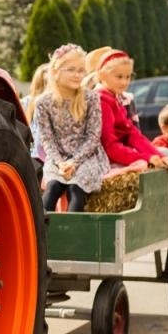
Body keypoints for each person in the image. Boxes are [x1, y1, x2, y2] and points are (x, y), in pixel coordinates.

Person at [33, 45, 108, 211]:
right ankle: (44, 233)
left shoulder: (91, 98)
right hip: (57, 157)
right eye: (71, 69)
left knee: (76, 188)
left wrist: (74, 162)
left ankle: (72, 233)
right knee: (52, 187)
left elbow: (93, 136)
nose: (77, 75)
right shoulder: (43, 102)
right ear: (56, 71)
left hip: (86, 156)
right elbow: (47, 139)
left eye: (81, 70)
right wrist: (60, 163)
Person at [88, 46, 168, 170]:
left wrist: (158, 155)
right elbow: (109, 146)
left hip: (119, 153)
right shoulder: (101, 100)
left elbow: (133, 134)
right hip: (103, 160)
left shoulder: (114, 98)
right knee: (145, 165)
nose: (124, 82)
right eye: (119, 77)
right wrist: (146, 157)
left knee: (166, 155)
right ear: (102, 75)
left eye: (127, 77)